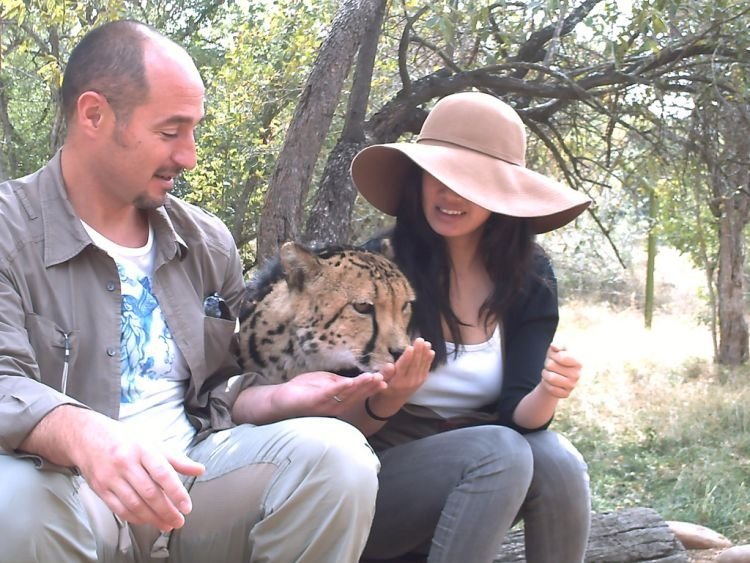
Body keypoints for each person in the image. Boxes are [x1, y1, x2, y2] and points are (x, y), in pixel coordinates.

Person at [0, 20, 387, 563]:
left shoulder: (205, 241)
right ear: (93, 115)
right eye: (169, 132)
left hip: (195, 482)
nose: (189, 156)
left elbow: (219, 386)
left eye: (194, 131)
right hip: (67, 494)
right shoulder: (8, 229)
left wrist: (280, 397)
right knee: (12, 498)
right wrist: (82, 433)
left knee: (336, 457)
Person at [346, 92, 593, 563]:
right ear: (416, 180)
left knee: (558, 460)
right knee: (500, 450)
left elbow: (519, 416)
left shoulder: (530, 277)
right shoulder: (375, 269)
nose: (449, 194)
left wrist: (549, 390)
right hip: (376, 485)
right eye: (437, 176)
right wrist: (388, 395)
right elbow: (333, 416)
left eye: (470, 181)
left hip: (491, 475)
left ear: (502, 192)